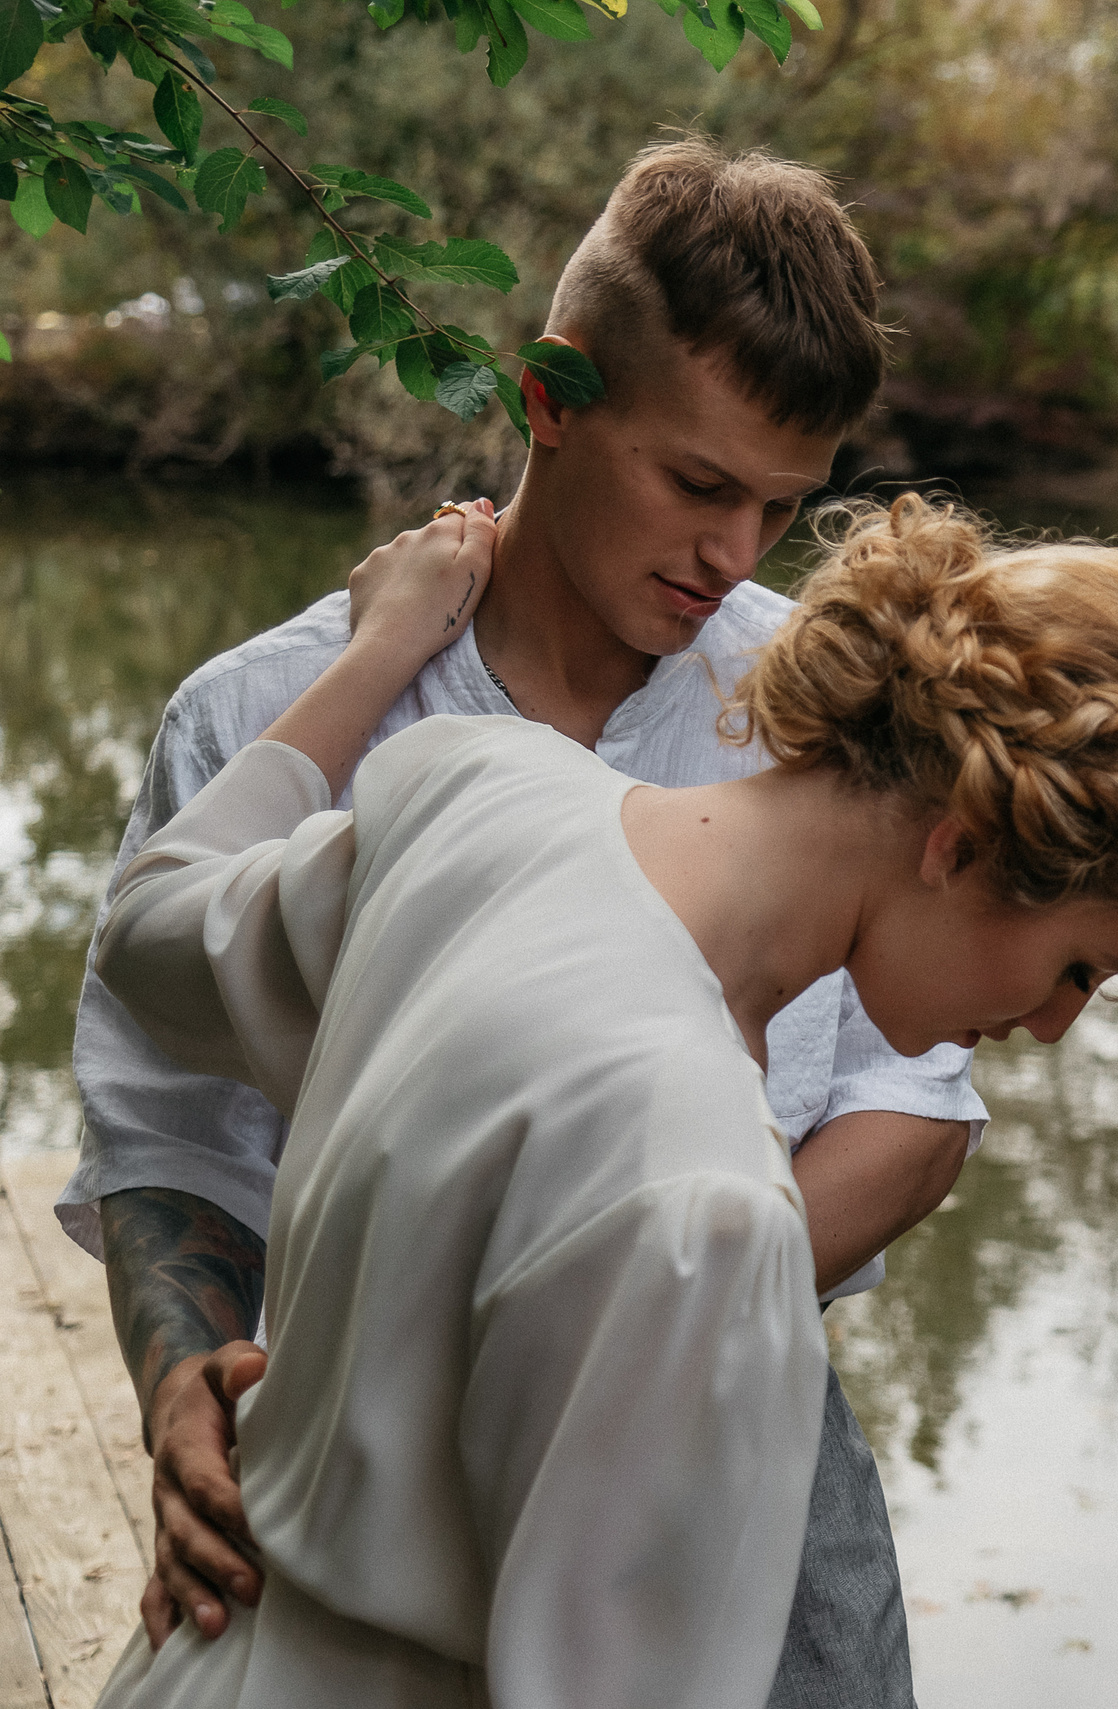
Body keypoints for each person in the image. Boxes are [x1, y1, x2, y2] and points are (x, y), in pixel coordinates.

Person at [87, 490, 1118, 1707]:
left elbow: (149, 927)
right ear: (959, 846)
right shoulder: (709, 1210)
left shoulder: (472, 788)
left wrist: (373, 657)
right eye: (1078, 968)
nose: (1049, 1026)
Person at [59, 136, 985, 1707]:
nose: (731, 557)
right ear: (549, 396)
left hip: (745, 1428)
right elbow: (169, 1131)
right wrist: (177, 1398)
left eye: (781, 502)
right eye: (697, 483)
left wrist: (655, 1295)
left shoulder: (824, 708)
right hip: (354, 1446)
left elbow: (914, 1105)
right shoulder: (263, 714)